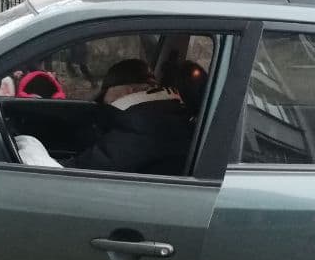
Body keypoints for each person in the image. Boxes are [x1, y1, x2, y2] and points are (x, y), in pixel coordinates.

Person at [15, 59, 192, 175]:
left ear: (126, 91)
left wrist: (30, 152)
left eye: (105, 95)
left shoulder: (142, 124)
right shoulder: (160, 114)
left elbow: (77, 173)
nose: (104, 104)